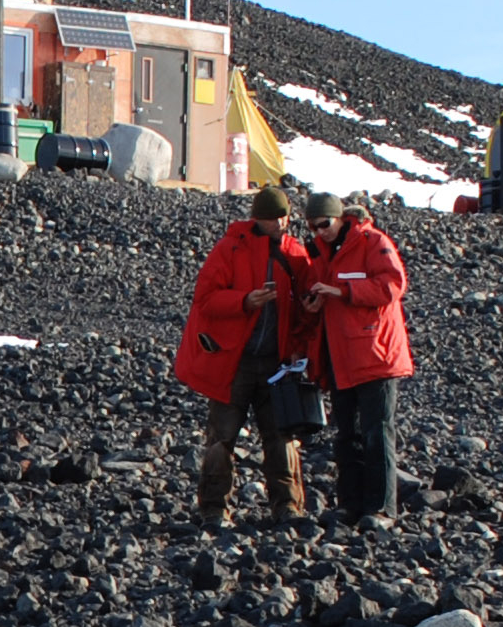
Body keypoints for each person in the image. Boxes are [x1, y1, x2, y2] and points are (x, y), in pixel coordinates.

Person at [176, 185, 319, 525]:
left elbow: (303, 312)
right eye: (272, 218)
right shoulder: (230, 249)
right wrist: (244, 301)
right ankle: (213, 508)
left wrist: (302, 338)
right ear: (258, 219)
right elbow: (206, 298)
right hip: (233, 361)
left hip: (276, 363)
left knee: (281, 436)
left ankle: (287, 506)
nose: (280, 223)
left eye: (283, 216)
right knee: (221, 436)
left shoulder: (297, 254)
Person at [298, 191, 413, 523]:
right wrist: (315, 303)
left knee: (378, 432)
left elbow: (393, 284)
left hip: (376, 356)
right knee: (347, 434)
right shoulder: (321, 253)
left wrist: (343, 292)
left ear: (339, 218)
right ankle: (351, 505)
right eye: (313, 227)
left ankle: (382, 508)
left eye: (324, 224)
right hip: (341, 357)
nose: (320, 232)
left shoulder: (372, 241)